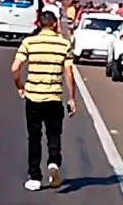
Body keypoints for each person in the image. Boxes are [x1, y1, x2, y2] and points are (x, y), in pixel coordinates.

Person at [11, 11, 76, 191]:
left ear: (39, 24)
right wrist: (71, 98)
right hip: (54, 98)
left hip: (33, 97)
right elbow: (69, 74)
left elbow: (15, 67)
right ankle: (53, 162)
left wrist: (20, 86)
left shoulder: (29, 43)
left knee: (34, 136)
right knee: (54, 134)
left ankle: (35, 177)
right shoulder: (64, 44)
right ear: (55, 24)